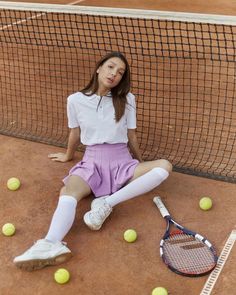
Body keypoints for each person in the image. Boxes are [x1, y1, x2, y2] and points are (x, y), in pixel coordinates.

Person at [13, 51, 172, 271]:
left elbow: (131, 136)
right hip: (92, 162)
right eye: (110, 67)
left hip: (122, 163)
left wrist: (140, 164)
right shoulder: (75, 100)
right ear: (99, 68)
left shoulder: (127, 99)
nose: (114, 74)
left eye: (120, 72)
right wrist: (69, 155)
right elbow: (74, 133)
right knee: (68, 192)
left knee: (164, 166)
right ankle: (50, 243)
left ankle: (107, 203)